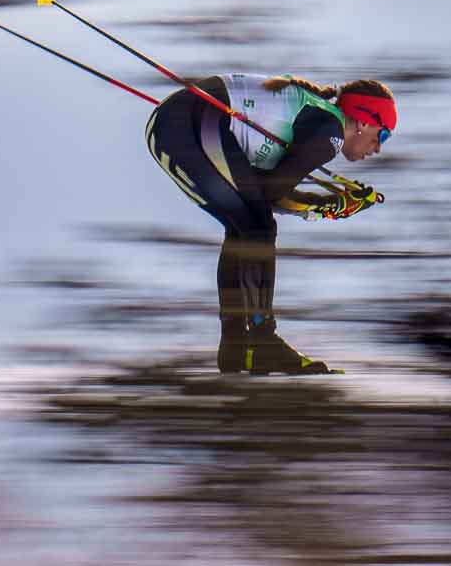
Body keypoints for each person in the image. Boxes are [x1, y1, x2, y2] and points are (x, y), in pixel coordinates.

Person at [145, 73, 397, 374]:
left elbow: (265, 194)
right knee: (257, 226)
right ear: (364, 120)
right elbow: (271, 193)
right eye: (383, 135)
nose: (378, 148)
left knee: (246, 226)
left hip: (180, 122)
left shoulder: (318, 119)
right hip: (191, 121)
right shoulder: (331, 132)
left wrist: (327, 207)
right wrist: (330, 207)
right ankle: (261, 340)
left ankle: (238, 349)